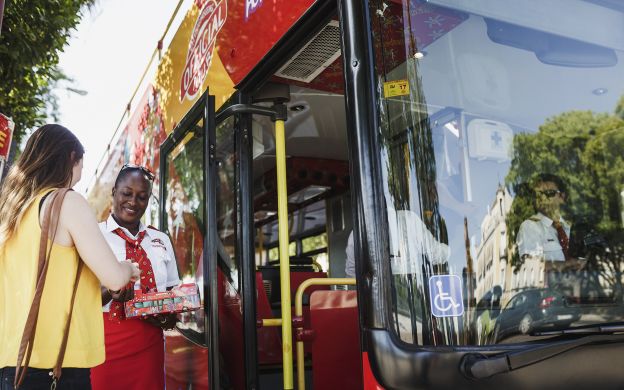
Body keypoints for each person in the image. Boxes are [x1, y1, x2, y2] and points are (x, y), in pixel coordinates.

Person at [0, 124, 141, 389]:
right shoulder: (65, 202)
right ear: (69, 159)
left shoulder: (12, 212)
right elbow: (113, 277)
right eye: (80, 166)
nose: (79, 176)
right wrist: (128, 268)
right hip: (55, 367)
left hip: (10, 365)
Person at [90, 164, 180, 390]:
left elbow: (171, 294)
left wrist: (169, 315)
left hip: (149, 345)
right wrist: (111, 291)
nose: (133, 202)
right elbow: (80, 295)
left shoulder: (161, 239)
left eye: (142, 197)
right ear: (114, 192)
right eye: (127, 194)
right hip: (103, 346)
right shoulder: (93, 234)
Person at [516, 174, 584, 291]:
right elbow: (532, 267)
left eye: (549, 193)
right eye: (539, 194)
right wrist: (569, 265)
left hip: (580, 299)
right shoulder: (529, 227)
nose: (543, 198)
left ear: (562, 197)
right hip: (550, 302)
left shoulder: (571, 228)